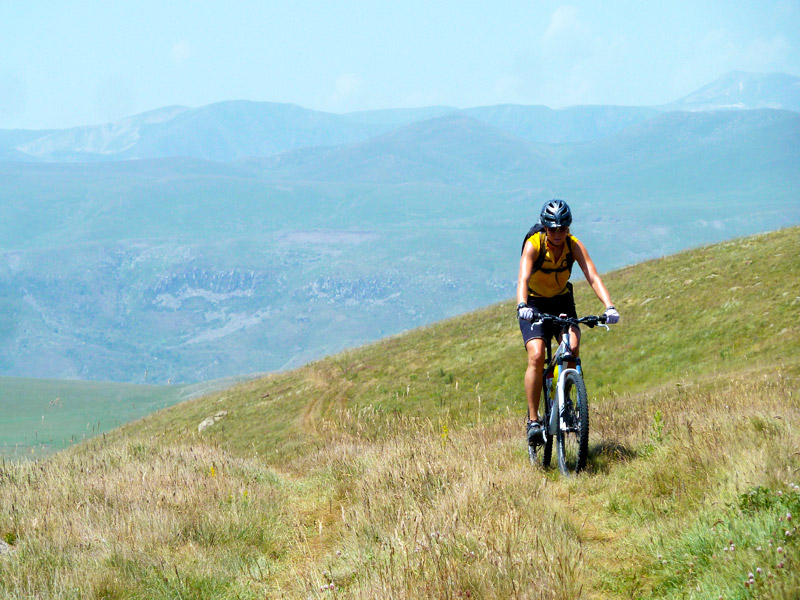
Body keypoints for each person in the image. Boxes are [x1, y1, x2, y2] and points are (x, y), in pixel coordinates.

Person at [516, 199, 620, 444]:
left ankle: (566, 397)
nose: (557, 234)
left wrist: (610, 306)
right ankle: (533, 421)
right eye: (552, 229)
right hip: (534, 304)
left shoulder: (573, 246)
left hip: (562, 301)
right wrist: (522, 306)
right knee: (536, 355)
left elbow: (592, 276)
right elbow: (522, 279)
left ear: (568, 228)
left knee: (572, 348)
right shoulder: (533, 246)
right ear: (545, 228)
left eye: (562, 228)